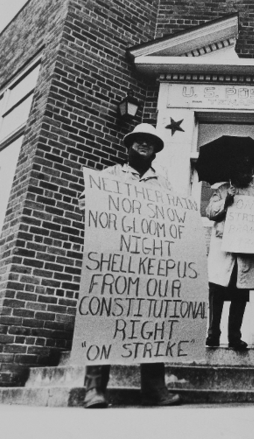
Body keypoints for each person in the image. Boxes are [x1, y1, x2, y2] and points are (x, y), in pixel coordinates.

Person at [81, 123, 180, 409]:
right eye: (139, 140)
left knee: (152, 324)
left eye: (150, 141)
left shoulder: (162, 183)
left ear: (155, 150)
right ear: (129, 145)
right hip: (113, 259)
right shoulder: (110, 174)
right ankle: (95, 389)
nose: (144, 144)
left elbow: (173, 222)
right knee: (102, 321)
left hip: (148, 263)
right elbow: (84, 203)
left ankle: (154, 390)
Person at [205, 155, 254, 350]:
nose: (245, 173)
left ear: (253, 172)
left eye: (249, 170)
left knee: (241, 294)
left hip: (246, 251)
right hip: (224, 250)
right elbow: (210, 213)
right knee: (217, 292)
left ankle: (234, 336)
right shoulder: (223, 190)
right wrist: (227, 201)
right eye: (241, 169)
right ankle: (213, 334)